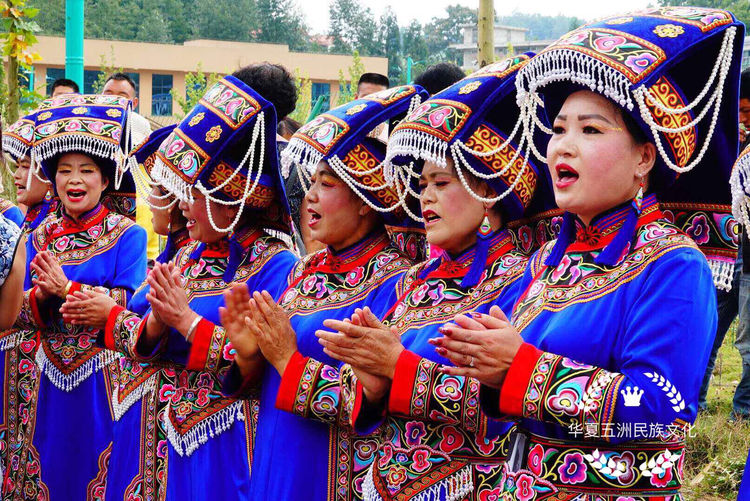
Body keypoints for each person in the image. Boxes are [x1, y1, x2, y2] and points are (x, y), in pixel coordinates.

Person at [430, 8, 743, 499]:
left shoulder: (673, 266)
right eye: (558, 129)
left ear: (644, 158)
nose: (562, 147)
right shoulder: (544, 265)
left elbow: (663, 414)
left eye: (590, 131)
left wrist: (522, 368)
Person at [315, 54, 557, 500]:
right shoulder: (412, 281)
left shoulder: (523, 281)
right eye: (422, 183)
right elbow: (364, 397)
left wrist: (396, 366)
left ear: (487, 190)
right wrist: (364, 379)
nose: (425, 195)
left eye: (441, 182)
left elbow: (504, 409)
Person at [84, 69, 299, 500]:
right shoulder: (187, 254)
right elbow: (137, 330)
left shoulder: (278, 267)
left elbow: (260, 366)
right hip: (150, 437)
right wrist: (152, 326)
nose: (182, 204)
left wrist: (184, 322)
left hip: (220, 450)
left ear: (231, 193)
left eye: (195, 191)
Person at [220, 84, 428, 500]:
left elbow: (369, 401)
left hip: (332, 472)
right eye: (312, 182)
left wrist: (285, 357)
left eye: (328, 184)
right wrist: (248, 356)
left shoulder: (395, 282)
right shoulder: (302, 271)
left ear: (366, 200)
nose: (310, 195)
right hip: (276, 459)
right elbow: (263, 381)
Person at [11, 94, 147, 498]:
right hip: (43, 380)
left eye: (87, 170)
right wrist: (44, 299)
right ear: (52, 179)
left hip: (102, 382)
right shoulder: (36, 237)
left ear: (106, 180)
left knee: (99, 472)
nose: (75, 180)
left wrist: (64, 289)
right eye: (65, 170)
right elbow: (15, 312)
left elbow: (129, 305)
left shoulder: (129, 235)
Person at [704, 68, 750, 420]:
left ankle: (742, 414)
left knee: (747, 344)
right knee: (706, 330)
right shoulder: (733, 146)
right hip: (728, 254)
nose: (743, 119)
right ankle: (695, 402)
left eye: (748, 112)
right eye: (740, 111)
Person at [101, 72, 160, 264]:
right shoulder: (93, 135)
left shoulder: (141, 129)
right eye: (108, 93)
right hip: (102, 239)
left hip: (146, 243)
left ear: (133, 103)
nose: (114, 100)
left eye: (121, 96)